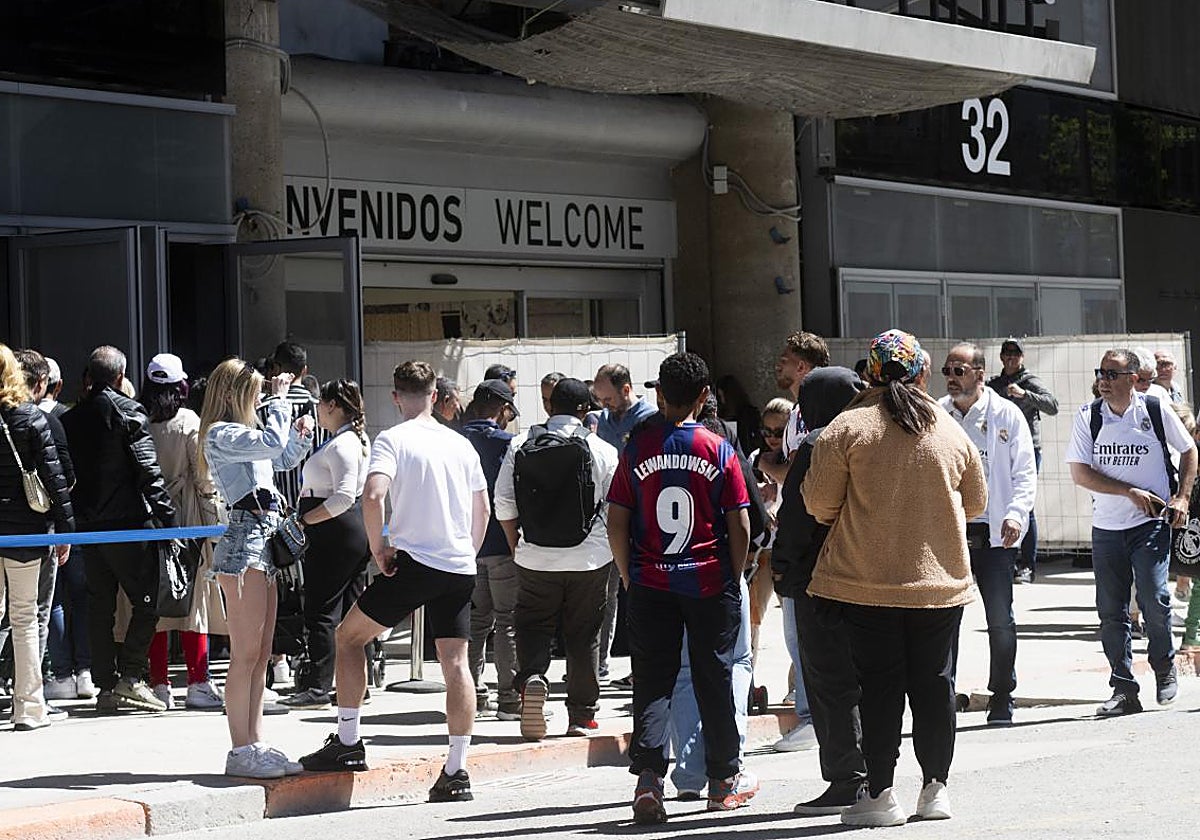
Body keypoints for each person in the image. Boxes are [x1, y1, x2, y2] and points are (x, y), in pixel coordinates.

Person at [803, 329, 987, 826]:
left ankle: (881, 793)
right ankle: (935, 789)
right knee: (935, 685)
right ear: (922, 373)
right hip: (939, 583)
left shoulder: (849, 426)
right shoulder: (949, 428)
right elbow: (976, 502)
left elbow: (818, 503)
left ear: (870, 373)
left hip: (867, 581)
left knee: (879, 689)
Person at [299, 361, 489, 806]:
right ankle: (457, 769)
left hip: (415, 561)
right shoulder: (461, 444)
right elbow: (482, 509)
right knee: (456, 663)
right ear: (435, 394)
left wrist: (378, 548)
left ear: (396, 396)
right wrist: (467, 553)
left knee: (349, 637)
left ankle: (348, 742)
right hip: (459, 564)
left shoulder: (392, 439)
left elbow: (372, 495)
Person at [607, 352, 755, 824]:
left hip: (651, 580)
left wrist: (629, 574)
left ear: (659, 395)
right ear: (704, 396)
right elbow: (740, 524)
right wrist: (732, 575)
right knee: (715, 678)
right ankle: (723, 781)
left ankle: (649, 780)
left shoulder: (638, 449)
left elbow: (616, 520)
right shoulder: (718, 449)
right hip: (708, 579)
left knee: (653, 681)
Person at [200, 358, 314, 778]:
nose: (259, 399)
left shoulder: (245, 434)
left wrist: (300, 436)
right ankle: (240, 748)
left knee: (262, 652)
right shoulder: (221, 433)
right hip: (244, 543)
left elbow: (280, 457)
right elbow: (270, 443)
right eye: (254, 393)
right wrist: (281, 403)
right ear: (233, 394)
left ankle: (255, 742)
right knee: (246, 652)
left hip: (264, 540)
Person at [1066, 348, 1196, 716]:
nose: (1103, 381)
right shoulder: (1089, 416)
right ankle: (1123, 689)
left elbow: (1189, 451)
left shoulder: (1154, 409)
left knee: (1154, 598)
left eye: (1112, 374)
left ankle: (1164, 667)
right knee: (1111, 611)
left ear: (1133, 379)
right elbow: (1080, 473)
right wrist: (1128, 492)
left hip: (1150, 524)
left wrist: (1182, 497)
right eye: (1101, 373)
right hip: (1107, 527)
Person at [495, 378, 618, 739]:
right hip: (589, 559)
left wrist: (515, 543)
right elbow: (615, 509)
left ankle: (532, 679)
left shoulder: (520, 444)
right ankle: (581, 715)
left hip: (535, 557)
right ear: (586, 410)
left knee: (532, 625)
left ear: (549, 407)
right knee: (584, 634)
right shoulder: (602, 449)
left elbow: (503, 502)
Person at [770, 366, 868, 816]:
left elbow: (797, 516)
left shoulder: (817, 444)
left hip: (819, 579)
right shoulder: (873, 437)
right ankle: (875, 775)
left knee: (829, 681)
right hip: (868, 575)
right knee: (867, 680)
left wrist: (783, 568)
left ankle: (847, 779)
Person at [61, 345, 175, 715]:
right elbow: (148, 472)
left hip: (88, 527)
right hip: (128, 524)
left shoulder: (70, 418)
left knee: (100, 606)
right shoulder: (128, 411)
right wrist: (169, 522)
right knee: (149, 599)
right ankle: (130, 675)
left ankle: (106, 685)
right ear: (120, 376)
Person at [941, 343, 1036, 726]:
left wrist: (1015, 514)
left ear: (980, 374)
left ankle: (1002, 695)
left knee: (999, 617)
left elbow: (1025, 472)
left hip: (994, 534)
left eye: (959, 370)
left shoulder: (1006, 414)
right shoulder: (937, 414)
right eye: (947, 370)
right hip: (949, 532)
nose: (951, 377)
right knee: (944, 620)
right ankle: (942, 697)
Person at [279, 380, 373, 710]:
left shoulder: (345, 443)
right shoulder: (353, 440)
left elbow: (344, 497)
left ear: (332, 405)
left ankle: (318, 687)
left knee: (322, 610)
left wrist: (305, 520)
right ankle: (356, 686)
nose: (317, 409)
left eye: (321, 403)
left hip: (334, 532)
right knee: (350, 611)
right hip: (346, 531)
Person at [141, 353, 226, 711]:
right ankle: (197, 682)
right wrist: (216, 523)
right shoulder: (190, 421)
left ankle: (159, 683)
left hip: (149, 519)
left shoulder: (140, 419)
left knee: (155, 604)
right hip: (188, 517)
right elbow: (204, 479)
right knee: (195, 602)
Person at [0, 343, 74, 731]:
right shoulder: (31, 418)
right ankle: (28, 707)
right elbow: (56, 479)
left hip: (13, 532)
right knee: (25, 617)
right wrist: (65, 531)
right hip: (25, 532)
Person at [592, 363, 658, 685]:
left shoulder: (648, 419)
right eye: (600, 400)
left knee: (640, 595)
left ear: (627, 389)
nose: (604, 406)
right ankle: (600, 664)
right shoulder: (604, 421)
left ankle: (642, 666)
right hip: (610, 516)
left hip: (641, 517)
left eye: (608, 399)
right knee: (607, 597)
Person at [459, 379, 520, 718]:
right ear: (502, 409)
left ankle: (472, 695)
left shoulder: (454, 440)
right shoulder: (508, 444)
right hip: (501, 541)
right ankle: (509, 698)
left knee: (475, 621)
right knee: (507, 620)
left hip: (464, 545)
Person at [987, 338, 1058, 585]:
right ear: (1001, 357)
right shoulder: (994, 385)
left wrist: (1025, 395)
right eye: (1006, 353)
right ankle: (1001, 559)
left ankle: (1027, 565)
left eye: (1015, 353)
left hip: (1027, 450)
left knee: (1025, 504)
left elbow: (1053, 406)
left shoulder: (1029, 381)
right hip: (997, 450)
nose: (1011, 357)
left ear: (1022, 357)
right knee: (995, 500)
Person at [715, 374, 762, 457]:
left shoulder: (749, 414)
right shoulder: (720, 413)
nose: (722, 400)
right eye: (719, 396)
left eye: (723, 395)